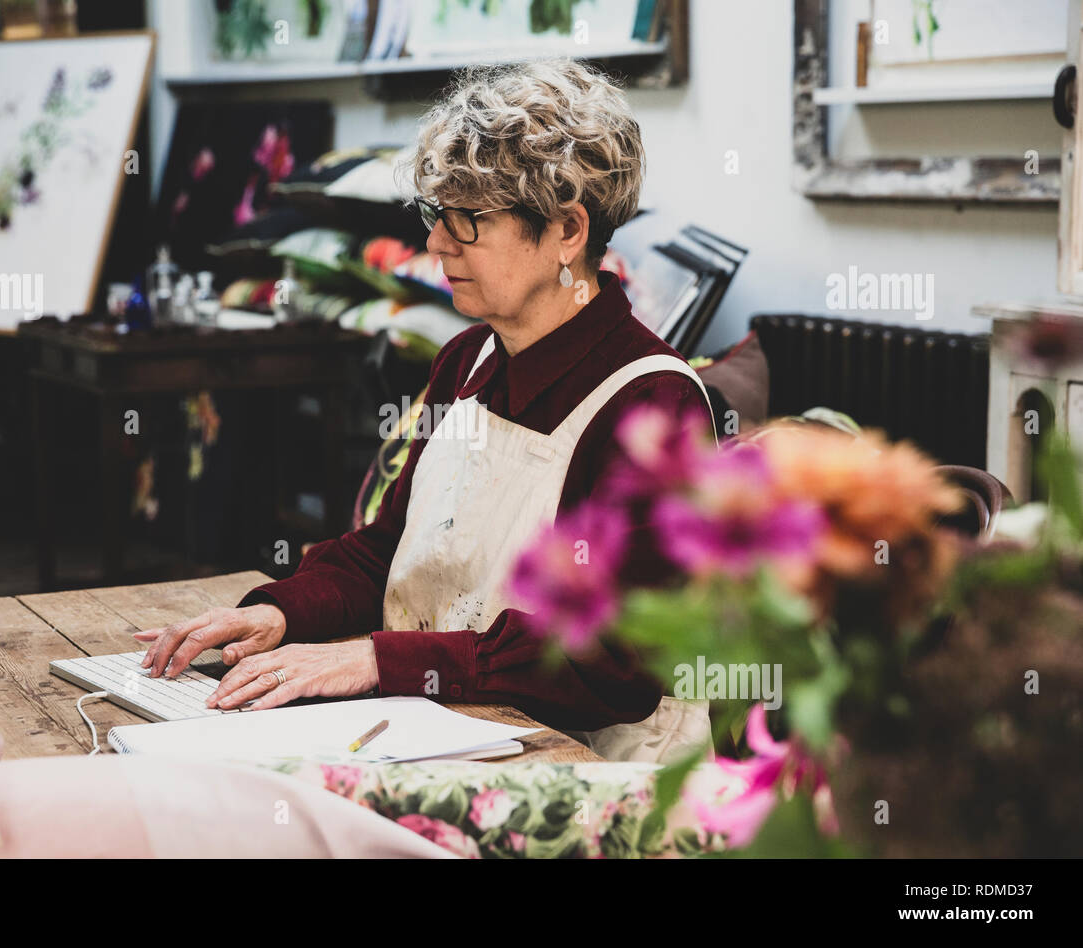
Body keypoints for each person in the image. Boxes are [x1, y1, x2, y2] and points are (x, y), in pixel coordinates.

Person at [138, 58, 716, 764]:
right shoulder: (466, 359)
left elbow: (616, 659)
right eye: (435, 215)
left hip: (596, 779)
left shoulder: (653, 402)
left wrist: (376, 660)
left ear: (567, 231)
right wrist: (280, 611)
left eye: (468, 219)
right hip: (444, 734)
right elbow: (389, 550)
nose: (437, 243)